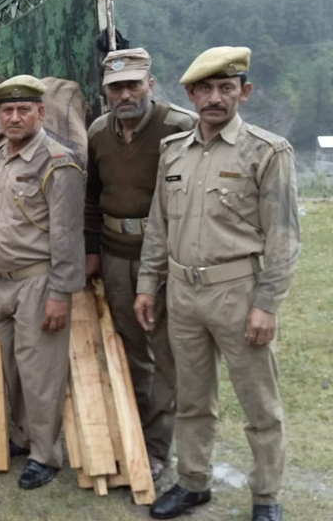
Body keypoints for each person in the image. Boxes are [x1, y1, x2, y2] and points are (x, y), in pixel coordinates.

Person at [134, 47, 299, 521]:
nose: (214, 98)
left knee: (259, 404)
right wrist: (149, 284)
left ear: (243, 93)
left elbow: (284, 239)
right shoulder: (174, 151)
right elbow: (159, 225)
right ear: (190, 93)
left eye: (226, 88)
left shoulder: (267, 152)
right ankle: (193, 481)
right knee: (191, 397)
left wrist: (266, 304)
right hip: (183, 295)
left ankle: (266, 496)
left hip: (238, 292)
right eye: (205, 89)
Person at [0, 75, 85, 490]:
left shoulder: (56, 161)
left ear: (41, 113)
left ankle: (46, 455)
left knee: (41, 373)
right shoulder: (6, 159)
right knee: (13, 368)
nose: (14, 117)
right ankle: (21, 437)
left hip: (37, 283)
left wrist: (60, 296)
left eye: (23, 110)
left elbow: (68, 236)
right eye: (7, 111)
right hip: (3, 283)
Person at [85, 48, 197, 480]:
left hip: (165, 261)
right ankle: (133, 437)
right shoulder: (98, 132)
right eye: (116, 87)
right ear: (105, 92)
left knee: (166, 352)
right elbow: (92, 199)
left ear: (151, 83)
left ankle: (158, 447)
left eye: (134, 84)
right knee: (131, 350)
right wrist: (92, 250)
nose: (125, 94)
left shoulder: (179, 127)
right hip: (115, 257)